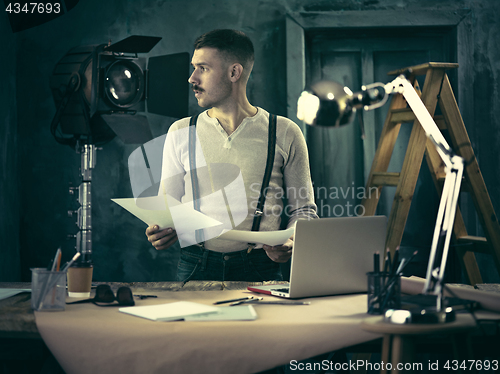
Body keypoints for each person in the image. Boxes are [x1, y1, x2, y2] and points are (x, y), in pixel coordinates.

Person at [145, 29, 318, 282]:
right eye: (194, 68)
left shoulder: (285, 132)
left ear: (234, 73)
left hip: (260, 268)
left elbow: (304, 211)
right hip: (195, 266)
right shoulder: (181, 131)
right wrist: (159, 231)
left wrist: (291, 239)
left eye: (202, 68)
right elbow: (165, 208)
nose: (192, 78)